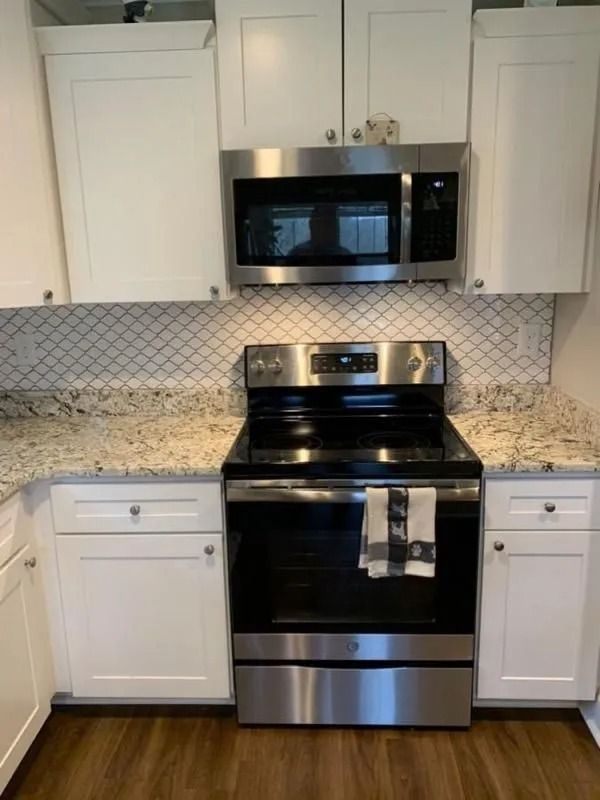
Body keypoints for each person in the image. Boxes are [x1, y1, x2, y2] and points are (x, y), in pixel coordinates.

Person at [287, 204, 352, 262]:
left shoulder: (345, 254)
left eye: (332, 223)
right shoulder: (298, 253)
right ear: (312, 225)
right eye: (325, 222)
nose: (328, 229)